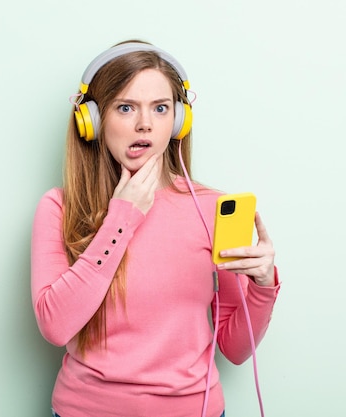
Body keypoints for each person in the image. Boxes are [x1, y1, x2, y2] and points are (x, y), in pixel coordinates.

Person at [31, 40, 281, 417]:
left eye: (161, 108)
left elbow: (235, 349)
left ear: (179, 121)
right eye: (126, 107)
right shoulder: (60, 207)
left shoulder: (211, 208)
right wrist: (122, 217)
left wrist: (263, 286)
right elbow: (55, 325)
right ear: (94, 121)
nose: (144, 123)